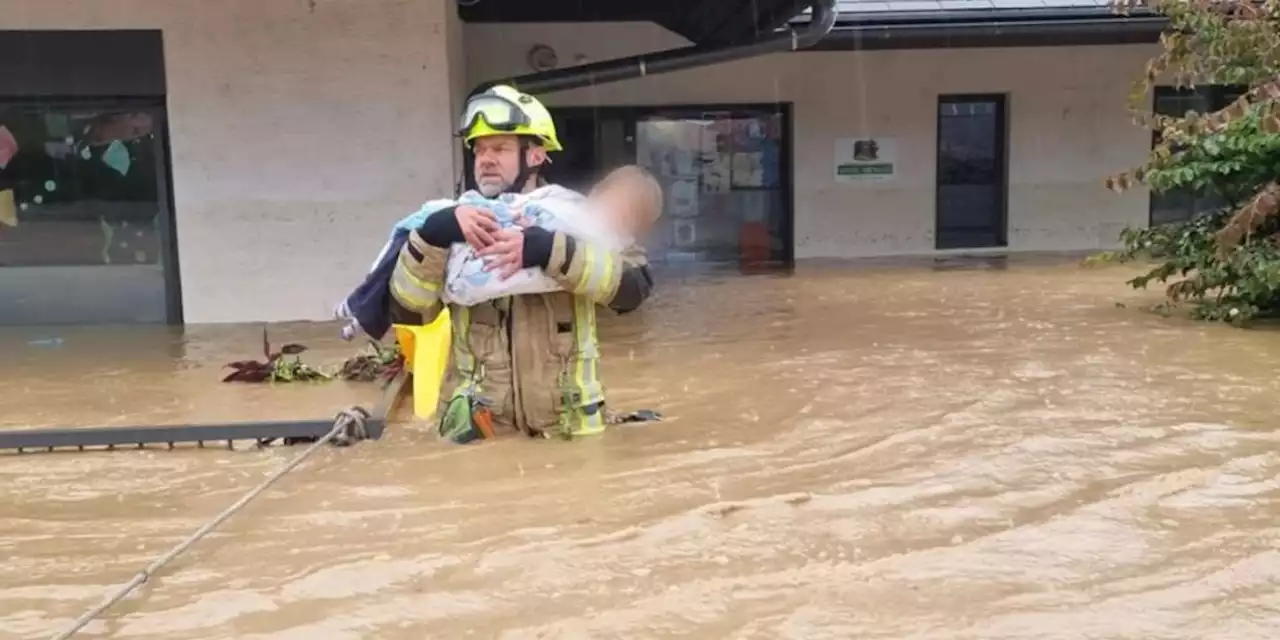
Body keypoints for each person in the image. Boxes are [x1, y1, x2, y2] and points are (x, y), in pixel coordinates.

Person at [387, 84, 656, 442]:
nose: (485, 159)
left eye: (500, 148)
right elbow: (408, 312)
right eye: (479, 149)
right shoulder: (451, 224)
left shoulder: (576, 218)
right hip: (479, 435)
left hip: (568, 435)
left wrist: (549, 251)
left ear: (535, 155)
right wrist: (433, 236)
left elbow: (631, 291)